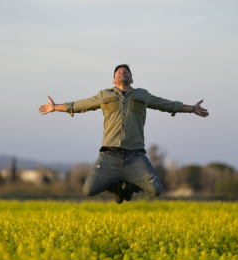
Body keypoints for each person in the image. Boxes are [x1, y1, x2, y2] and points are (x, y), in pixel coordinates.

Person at [38, 64, 209, 204]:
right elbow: (79, 105)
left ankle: (131, 185)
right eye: (119, 71)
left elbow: (168, 105)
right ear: (114, 79)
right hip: (109, 156)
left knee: (156, 190)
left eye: (126, 71)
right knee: (88, 190)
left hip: (135, 156)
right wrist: (55, 107)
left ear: (131, 79)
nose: (122, 72)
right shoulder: (104, 95)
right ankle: (117, 187)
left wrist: (192, 109)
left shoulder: (142, 95)